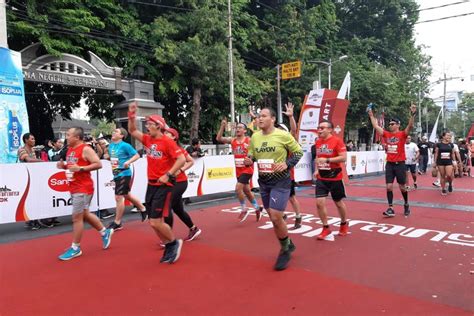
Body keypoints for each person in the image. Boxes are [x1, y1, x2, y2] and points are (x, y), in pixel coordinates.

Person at [244, 107, 303, 271]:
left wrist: (287, 164)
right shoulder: (254, 137)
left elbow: (298, 152)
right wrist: (249, 160)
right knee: (273, 218)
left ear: (273, 119)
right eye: (258, 117)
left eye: (263, 116)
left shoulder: (283, 135)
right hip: (264, 182)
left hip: (281, 181)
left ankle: (284, 250)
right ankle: (288, 243)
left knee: (277, 217)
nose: (259, 119)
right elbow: (252, 155)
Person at [128, 102, 185, 264]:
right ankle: (169, 244)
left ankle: (173, 242)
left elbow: (181, 159)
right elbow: (132, 131)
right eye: (146, 124)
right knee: (154, 223)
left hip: (164, 186)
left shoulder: (167, 142)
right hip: (151, 185)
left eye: (150, 124)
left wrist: (168, 174)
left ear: (159, 126)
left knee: (155, 221)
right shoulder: (148, 140)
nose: (147, 127)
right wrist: (131, 115)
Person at [56, 127, 113, 260]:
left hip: (83, 188)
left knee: (77, 218)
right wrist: (64, 166)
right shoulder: (70, 149)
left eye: (69, 135)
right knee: (85, 214)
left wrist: (81, 168)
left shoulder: (86, 149)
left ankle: (76, 248)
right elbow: (73, 165)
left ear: (77, 137)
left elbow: (98, 164)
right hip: (74, 187)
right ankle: (105, 232)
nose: (67, 137)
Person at [368, 103, 417, 217]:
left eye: (392, 124)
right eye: (389, 124)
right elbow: (375, 126)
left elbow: (410, 126)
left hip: (400, 164)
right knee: (389, 186)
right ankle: (390, 207)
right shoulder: (387, 134)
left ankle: (406, 204)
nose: (390, 125)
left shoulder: (402, 134)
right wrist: (371, 115)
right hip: (389, 164)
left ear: (398, 125)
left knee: (402, 187)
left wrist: (412, 114)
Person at [216, 118, 263, 222]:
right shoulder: (233, 140)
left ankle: (244, 209)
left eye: (240, 127)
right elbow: (219, 138)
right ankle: (257, 208)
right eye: (237, 127)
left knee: (238, 188)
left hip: (247, 169)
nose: (238, 129)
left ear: (245, 131)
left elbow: (258, 150)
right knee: (246, 190)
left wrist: (252, 159)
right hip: (238, 170)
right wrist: (222, 126)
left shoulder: (249, 140)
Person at [313, 120, 349, 240]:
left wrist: (328, 160)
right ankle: (325, 228)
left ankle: (344, 223)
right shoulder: (317, 142)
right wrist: (317, 169)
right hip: (322, 178)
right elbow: (318, 158)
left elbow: (343, 158)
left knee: (338, 203)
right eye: (318, 128)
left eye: (322, 128)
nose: (319, 130)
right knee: (319, 203)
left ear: (330, 129)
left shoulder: (337, 141)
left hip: (335, 177)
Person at [164, 127, 202, 241]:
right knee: (178, 209)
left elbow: (190, 161)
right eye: (164, 132)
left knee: (167, 206)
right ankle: (193, 228)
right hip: (170, 182)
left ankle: (168, 237)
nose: (164, 134)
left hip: (180, 182)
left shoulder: (177, 148)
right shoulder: (164, 148)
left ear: (174, 137)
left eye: (167, 133)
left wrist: (180, 170)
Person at [106, 128, 147, 231]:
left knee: (118, 197)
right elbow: (112, 158)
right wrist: (107, 157)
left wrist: (128, 162)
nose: (113, 132)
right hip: (116, 173)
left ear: (122, 136)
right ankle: (142, 208)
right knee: (126, 195)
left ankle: (117, 222)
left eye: (116, 132)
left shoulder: (125, 145)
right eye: (113, 131)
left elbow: (137, 155)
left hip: (124, 173)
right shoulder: (111, 146)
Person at [280, 102, 302, 229]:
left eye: (282, 129)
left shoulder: (289, 141)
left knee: (291, 198)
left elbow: (294, 131)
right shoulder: (274, 141)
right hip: (274, 175)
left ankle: (298, 217)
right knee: (276, 196)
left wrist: (290, 117)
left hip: (288, 175)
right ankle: (281, 215)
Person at [18, 133, 47, 230]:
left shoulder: (33, 150)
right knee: (28, 199)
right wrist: (42, 162)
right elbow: (29, 160)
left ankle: (34, 219)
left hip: (34, 178)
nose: (34, 140)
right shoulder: (21, 149)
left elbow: (34, 160)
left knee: (35, 199)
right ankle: (29, 221)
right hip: (25, 178)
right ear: (26, 140)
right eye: (32, 139)